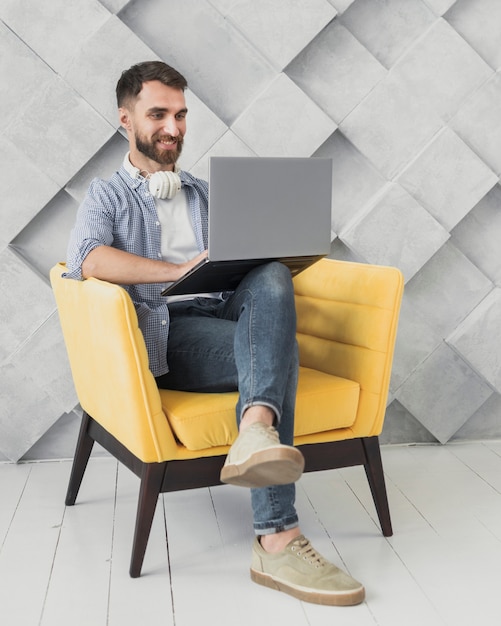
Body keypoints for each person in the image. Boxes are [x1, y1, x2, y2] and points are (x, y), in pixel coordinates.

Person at [65, 60, 364, 606]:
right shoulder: (106, 194)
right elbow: (85, 260)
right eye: (157, 114)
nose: (173, 128)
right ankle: (277, 537)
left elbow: (250, 264)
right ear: (125, 119)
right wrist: (175, 273)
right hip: (167, 331)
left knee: (271, 272)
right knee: (278, 355)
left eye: (180, 115)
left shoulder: (204, 192)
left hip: (227, 312)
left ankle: (255, 428)